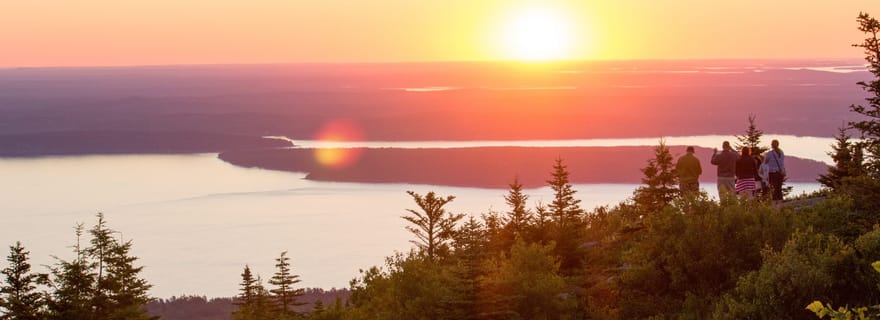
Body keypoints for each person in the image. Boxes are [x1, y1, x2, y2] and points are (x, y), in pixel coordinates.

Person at [764, 139, 786, 208]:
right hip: (780, 173)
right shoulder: (781, 152)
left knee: (773, 188)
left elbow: (765, 162)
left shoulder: (770, 153)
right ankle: (780, 204)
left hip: (773, 173)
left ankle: (774, 205)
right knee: (779, 188)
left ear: (772, 145)